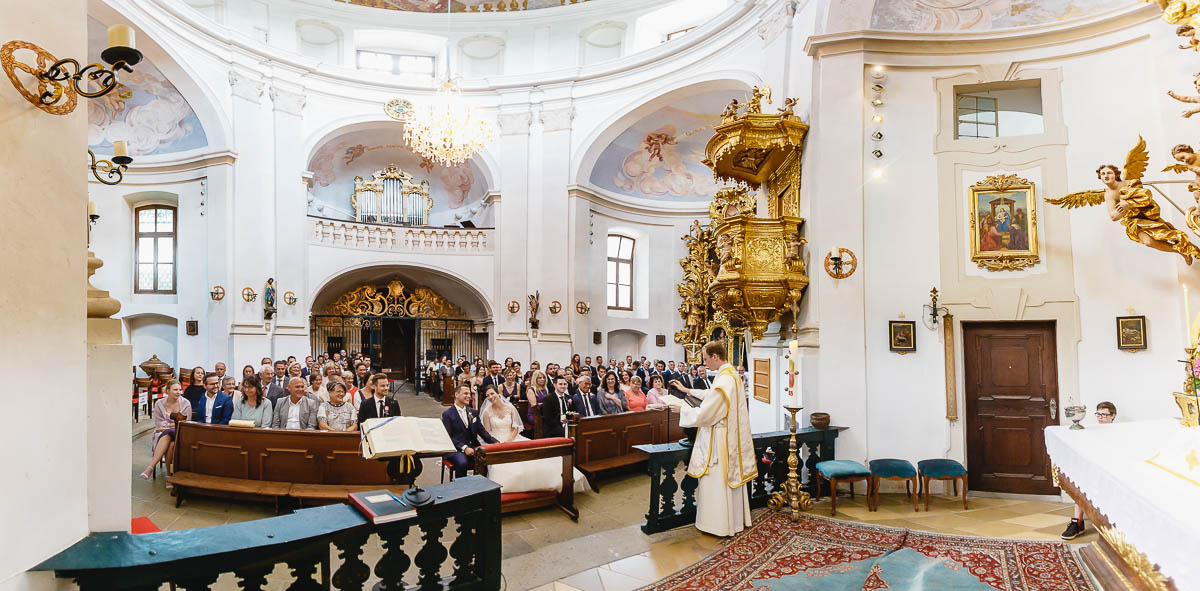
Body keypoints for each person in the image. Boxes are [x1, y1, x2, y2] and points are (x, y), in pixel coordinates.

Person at [666, 341, 757, 536]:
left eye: (706, 359)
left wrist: (683, 409)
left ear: (715, 356)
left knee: (716, 482)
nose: (705, 364)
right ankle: (734, 522)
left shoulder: (724, 379)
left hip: (719, 440)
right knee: (727, 483)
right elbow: (712, 394)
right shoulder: (731, 374)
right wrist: (688, 390)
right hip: (728, 437)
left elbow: (708, 413)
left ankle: (719, 525)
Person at [1061, 401, 1117, 540]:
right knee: (1079, 483)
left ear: (1113, 416)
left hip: (1110, 470)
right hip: (1093, 468)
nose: (1100, 418)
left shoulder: (1118, 432)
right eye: (1098, 414)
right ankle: (1077, 522)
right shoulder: (1091, 430)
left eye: (1104, 415)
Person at [441, 385, 498, 478]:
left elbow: (483, 432)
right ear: (456, 394)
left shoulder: (473, 412)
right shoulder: (448, 414)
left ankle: (480, 486)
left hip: (472, 447)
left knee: (486, 460)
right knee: (462, 462)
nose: (469, 396)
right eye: (465, 393)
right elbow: (448, 437)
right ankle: (462, 490)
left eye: (469, 394)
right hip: (455, 449)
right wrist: (464, 448)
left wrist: (497, 443)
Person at [139, 379, 191, 479]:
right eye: (175, 390)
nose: (179, 392)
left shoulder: (186, 403)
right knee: (170, 445)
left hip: (180, 433)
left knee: (168, 432)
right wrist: (172, 425)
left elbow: (185, 423)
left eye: (180, 390)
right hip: (162, 434)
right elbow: (159, 424)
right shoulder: (159, 403)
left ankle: (150, 467)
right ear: (167, 391)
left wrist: (170, 426)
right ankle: (169, 475)